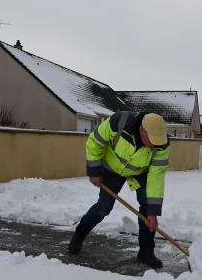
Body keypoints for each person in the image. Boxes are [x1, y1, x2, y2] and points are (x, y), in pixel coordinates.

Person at [68, 111, 170, 269]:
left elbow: (156, 176)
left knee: (146, 209)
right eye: (153, 140)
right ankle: (79, 235)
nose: (156, 144)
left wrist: (152, 212)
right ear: (142, 130)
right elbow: (94, 142)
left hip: (140, 173)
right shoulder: (119, 123)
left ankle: (146, 252)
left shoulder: (161, 145)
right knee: (103, 207)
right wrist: (94, 171)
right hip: (112, 169)